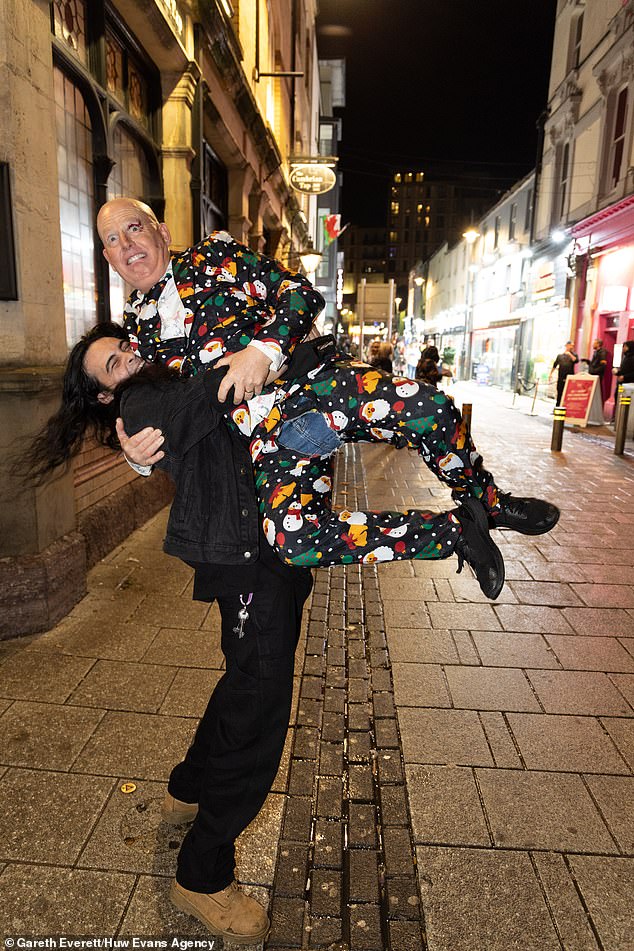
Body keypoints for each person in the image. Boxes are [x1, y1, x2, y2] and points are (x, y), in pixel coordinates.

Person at [22, 324, 518, 940]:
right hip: (244, 562)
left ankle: (187, 787)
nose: (131, 363)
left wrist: (281, 355)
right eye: (114, 366)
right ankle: (201, 874)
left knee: (241, 682)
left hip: (268, 550)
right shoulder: (143, 399)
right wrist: (257, 357)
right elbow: (202, 400)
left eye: (126, 350)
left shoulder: (167, 373)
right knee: (259, 706)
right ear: (104, 396)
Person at [97, 198, 559, 578]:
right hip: (267, 442)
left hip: (317, 387)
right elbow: (164, 411)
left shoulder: (213, 257)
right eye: (114, 239)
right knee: (292, 541)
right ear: (108, 257)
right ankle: (456, 532)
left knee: (429, 407)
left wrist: (263, 351)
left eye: (134, 228)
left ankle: (490, 502)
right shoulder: (136, 331)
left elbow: (300, 293)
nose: (128, 245)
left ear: (161, 230)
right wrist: (137, 459)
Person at [549, 340, 578, 405]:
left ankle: (566, 407)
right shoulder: (560, 356)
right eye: (571, 345)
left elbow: (576, 360)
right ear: (567, 346)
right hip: (561, 377)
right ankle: (557, 406)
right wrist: (550, 374)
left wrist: (570, 354)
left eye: (573, 345)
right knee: (559, 392)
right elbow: (555, 365)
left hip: (569, 378)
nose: (572, 347)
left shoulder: (574, 355)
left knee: (568, 393)